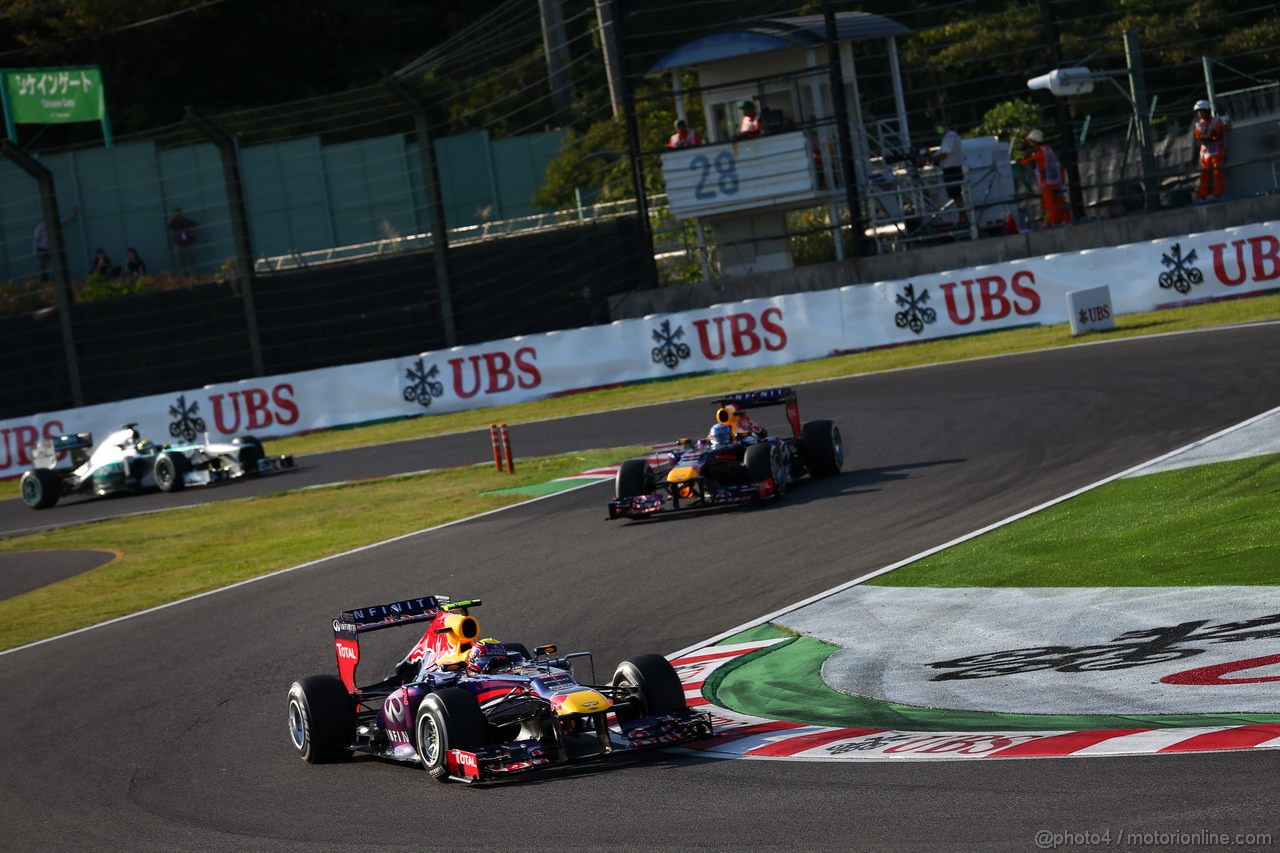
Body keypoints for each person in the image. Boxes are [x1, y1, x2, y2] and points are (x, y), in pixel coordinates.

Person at [1018, 129, 1071, 227]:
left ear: (1035, 141)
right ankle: (1065, 219)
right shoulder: (1048, 149)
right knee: (1060, 202)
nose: (1030, 143)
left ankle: (1052, 223)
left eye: (1030, 141)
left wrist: (1021, 161)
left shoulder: (1040, 152)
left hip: (1047, 182)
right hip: (1056, 180)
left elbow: (1028, 161)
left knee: (1049, 205)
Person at [930, 122, 968, 225]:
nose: (939, 132)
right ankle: (962, 217)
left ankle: (963, 218)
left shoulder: (950, 136)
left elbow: (945, 153)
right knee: (955, 196)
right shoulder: (949, 137)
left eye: (940, 129)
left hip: (952, 170)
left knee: (956, 195)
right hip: (951, 169)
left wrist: (933, 159)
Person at [1193, 99, 1228, 201]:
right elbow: (1199, 137)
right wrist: (1206, 137)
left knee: (1218, 173)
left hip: (1216, 151)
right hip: (1205, 153)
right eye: (1198, 112)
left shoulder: (1216, 121)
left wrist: (1212, 136)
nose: (1200, 114)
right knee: (1205, 175)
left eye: (1202, 111)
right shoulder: (1199, 125)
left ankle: (1218, 194)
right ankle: (1202, 196)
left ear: (1207, 111)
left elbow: (1218, 134)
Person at [32, 206, 78, 282]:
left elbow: (63, 221)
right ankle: (45, 280)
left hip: (50, 248)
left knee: (55, 264)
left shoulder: (53, 224)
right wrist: (35, 252)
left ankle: (56, 279)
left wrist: (73, 215)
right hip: (41, 249)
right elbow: (35, 240)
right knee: (42, 266)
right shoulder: (39, 228)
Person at [167, 207, 199, 273]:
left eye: (178, 212)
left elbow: (195, 225)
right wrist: (173, 217)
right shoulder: (173, 222)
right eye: (175, 213)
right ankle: (184, 272)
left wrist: (192, 232)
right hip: (178, 243)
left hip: (187, 242)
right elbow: (169, 224)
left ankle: (193, 272)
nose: (177, 214)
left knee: (191, 258)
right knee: (179, 259)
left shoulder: (185, 220)